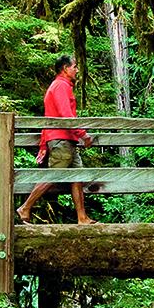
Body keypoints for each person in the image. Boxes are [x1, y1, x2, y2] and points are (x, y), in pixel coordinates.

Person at [17, 54, 95, 224]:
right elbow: (65, 114)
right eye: (74, 66)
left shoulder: (62, 85)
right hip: (61, 139)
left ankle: (82, 217)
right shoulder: (60, 86)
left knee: (77, 177)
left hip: (67, 139)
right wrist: (83, 133)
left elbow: (55, 116)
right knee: (53, 175)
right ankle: (25, 207)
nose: (77, 70)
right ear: (65, 68)